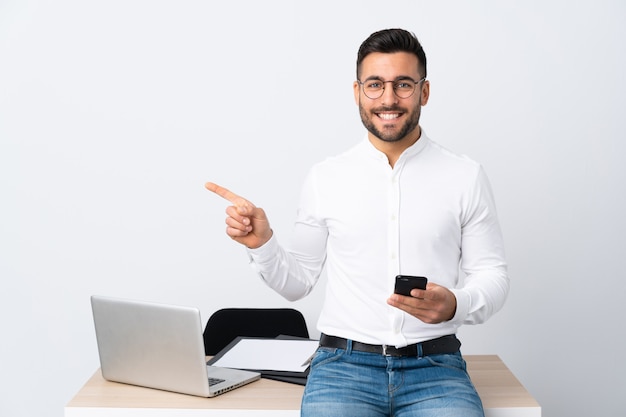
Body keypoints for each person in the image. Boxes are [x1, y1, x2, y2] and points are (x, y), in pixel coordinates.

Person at [206, 28, 508, 417]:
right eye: (375, 85)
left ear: (424, 92)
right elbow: (297, 284)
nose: (388, 98)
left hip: (436, 368)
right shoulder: (326, 177)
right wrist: (262, 243)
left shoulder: (465, 175)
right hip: (343, 368)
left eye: (403, 84)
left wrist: (455, 304)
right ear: (357, 91)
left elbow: (494, 276)